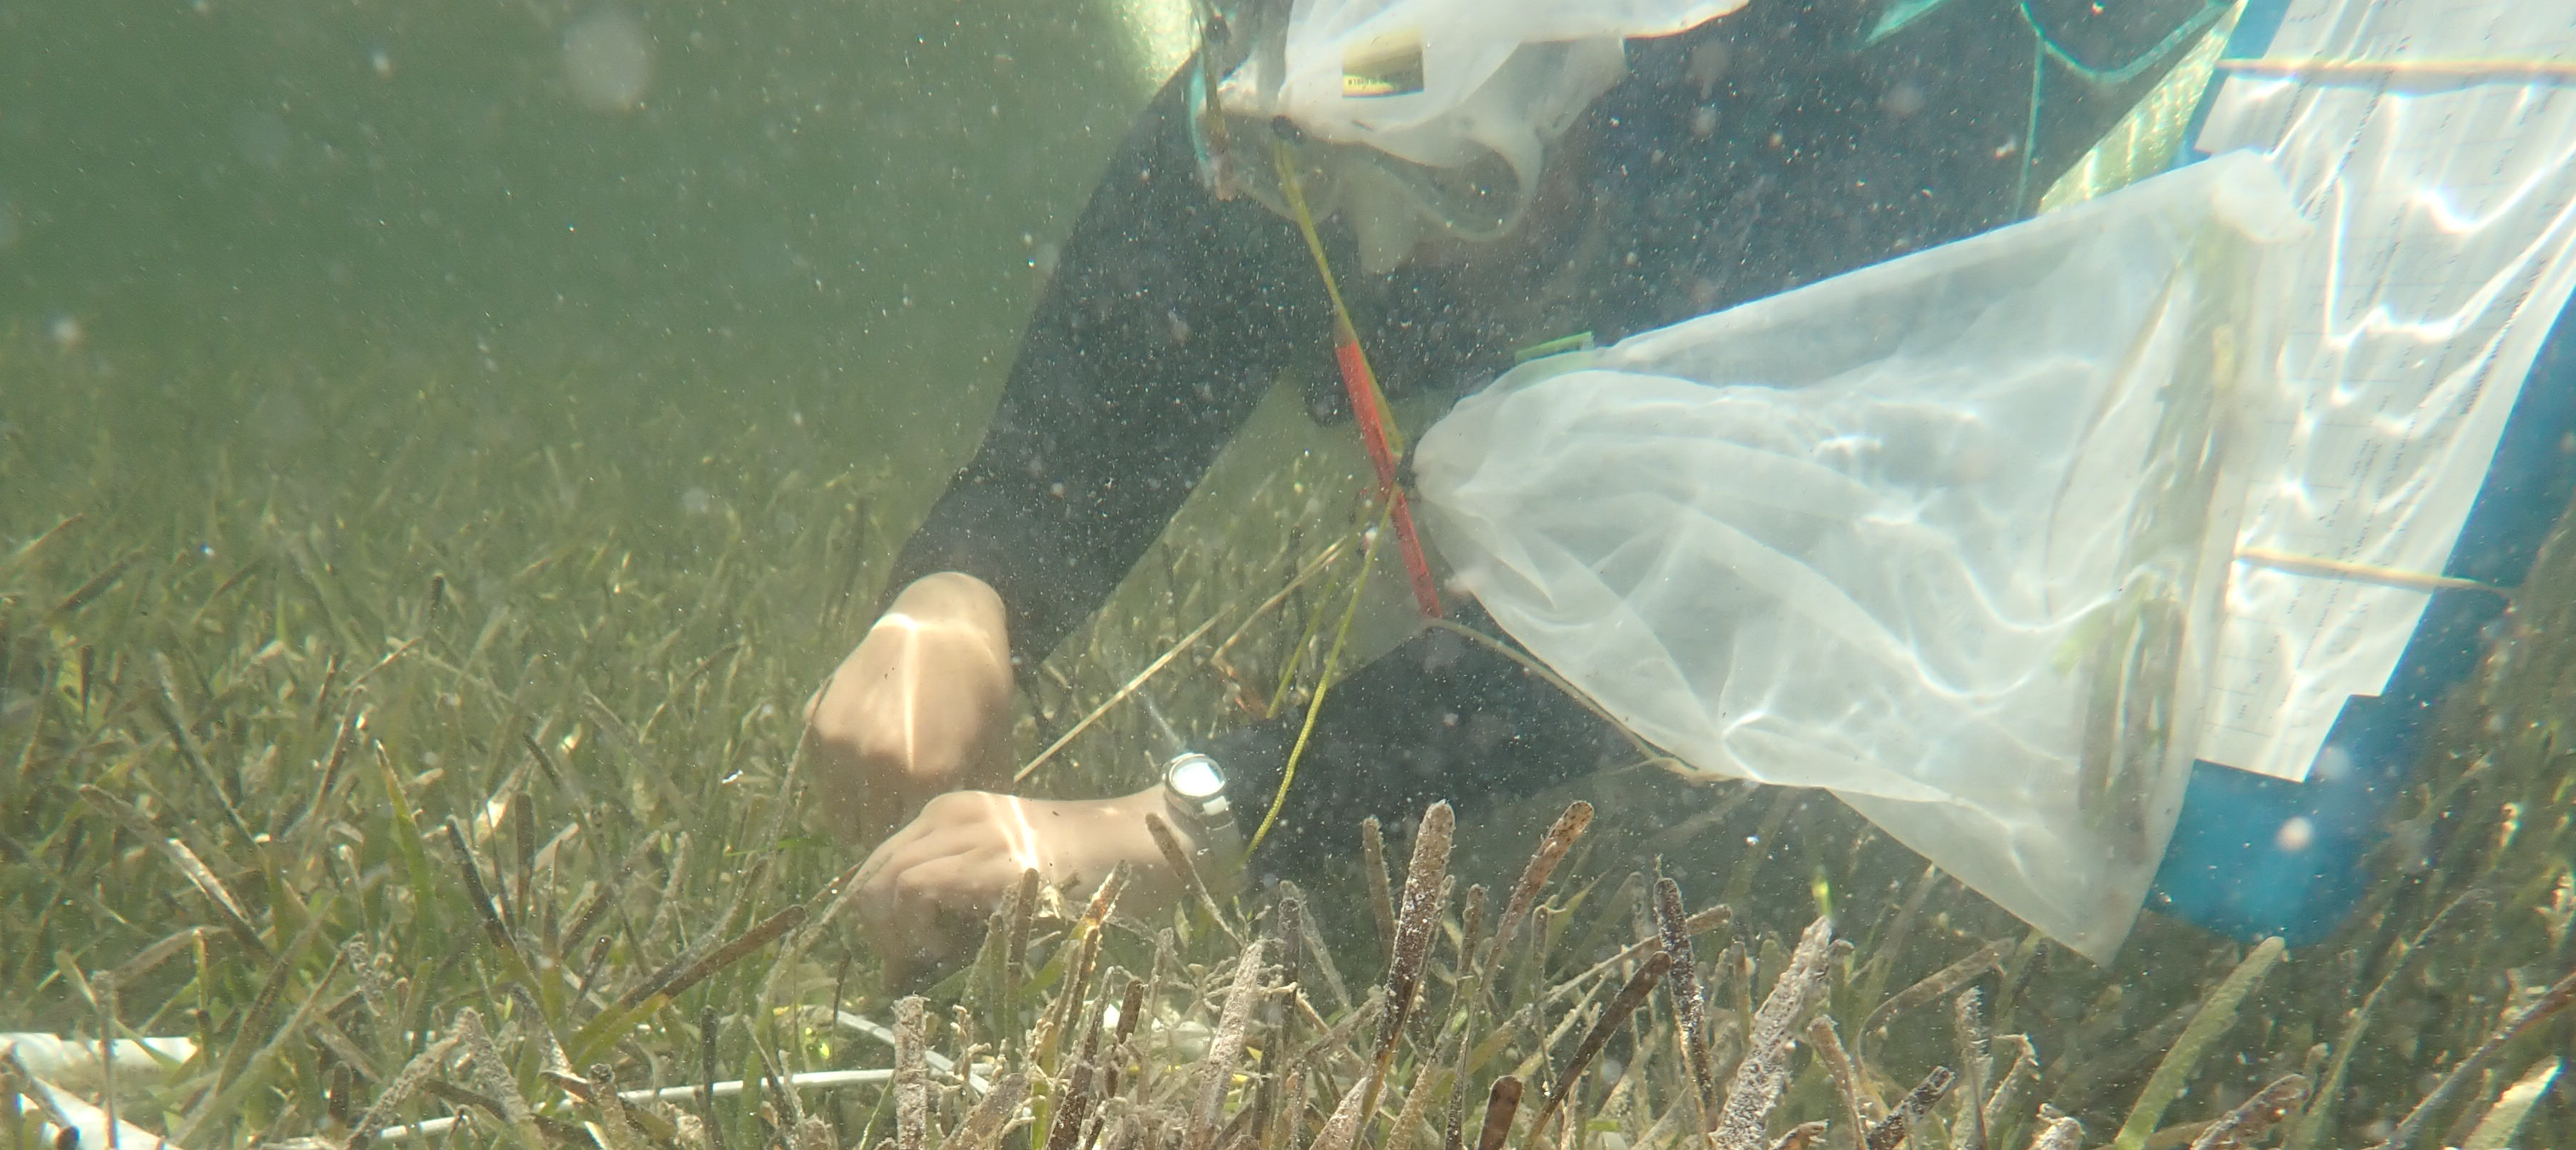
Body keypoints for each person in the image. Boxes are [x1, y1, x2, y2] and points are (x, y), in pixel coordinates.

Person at [805, 0, 2570, 967]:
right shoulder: (1322, 115)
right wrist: (964, 592)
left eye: (1461, 208)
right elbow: (1151, 320)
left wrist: (1177, 822)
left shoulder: (1842, 123)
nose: (1377, 267)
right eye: (1309, 185)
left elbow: (1703, 587)